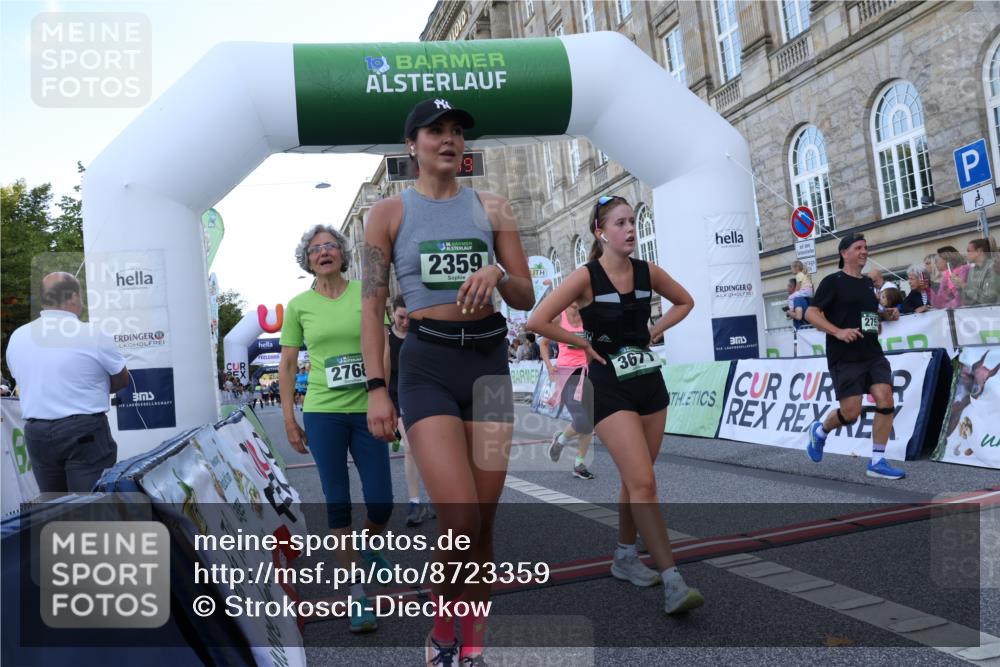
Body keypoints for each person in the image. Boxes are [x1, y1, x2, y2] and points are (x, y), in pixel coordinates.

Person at [361, 98, 535, 666]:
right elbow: (372, 309)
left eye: (456, 131)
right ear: (411, 145)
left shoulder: (494, 206)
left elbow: (527, 296)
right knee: (458, 518)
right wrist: (377, 387)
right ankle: (440, 632)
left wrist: (499, 271)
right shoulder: (385, 215)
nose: (448, 139)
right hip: (427, 367)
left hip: (487, 365)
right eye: (435, 130)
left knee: (482, 523)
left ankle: (473, 648)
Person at [526, 194, 704, 616]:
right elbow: (537, 321)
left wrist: (654, 330)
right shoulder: (585, 277)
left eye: (632, 222)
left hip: (648, 383)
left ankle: (625, 555)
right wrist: (581, 342)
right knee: (643, 483)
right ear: (600, 231)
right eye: (620, 223)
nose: (630, 229)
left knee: (635, 479)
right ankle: (673, 581)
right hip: (609, 388)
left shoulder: (648, 271)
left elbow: (686, 301)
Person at [279, 224, 393, 634]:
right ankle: (356, 595)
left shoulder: (366, 294)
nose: (324, 252)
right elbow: (288, 365)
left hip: (367, 408)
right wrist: (290, 418)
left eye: (331, 246)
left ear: (343, 254)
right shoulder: (298, 306)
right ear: (306, 260)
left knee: (381, 502)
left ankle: (367, 542)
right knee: (337, 501)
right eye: (315, 249)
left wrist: (387, 395)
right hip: (323, 411)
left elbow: (381, 346)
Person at [5, 272, 130, 493]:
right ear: (73, 297)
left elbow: (24, 380)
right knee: (90, 509)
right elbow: (122, 379)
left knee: (55, 509)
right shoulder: (92, 333)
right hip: (84, 431)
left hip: (37, 433)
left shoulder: (18, 336)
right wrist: (91, 388)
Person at [804, 233, 905, 480]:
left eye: (866, 247)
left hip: (872, 352)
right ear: (844, 253)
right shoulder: (833, 281)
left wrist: (885, 314)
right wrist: (837, 331)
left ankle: (878, 461)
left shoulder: (867, 283)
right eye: (858, 247)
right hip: (845, 356)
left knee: (885, 399)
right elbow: (811, 313)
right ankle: (820, 431)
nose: (864, 251)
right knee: (851, 413)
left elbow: (868, 310)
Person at [383, 294, 436, 526]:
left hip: (423, 396)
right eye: (401, 317)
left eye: (408, 317)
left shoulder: (420, 335)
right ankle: (415, 503)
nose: (405, 322)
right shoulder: (386, 340)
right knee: (412, 446)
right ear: (392, 314)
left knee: (432, 448)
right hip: (397, 398)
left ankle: (436, 497)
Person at [539, 303, 596, 480]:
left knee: (589, 423)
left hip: (586, 374)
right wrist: (549, 366)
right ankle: (561, 440)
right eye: (576, 296)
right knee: (581, 420)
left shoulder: (590, 317)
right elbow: (543, 344)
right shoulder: (559, 317)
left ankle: (579, 464)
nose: (580, 301)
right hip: (567, 374)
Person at [956, 238, 1000, 306]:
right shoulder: (972, 270)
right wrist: (959, 287)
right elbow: (967, 301)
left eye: (969, 251)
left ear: (979, 251)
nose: (966, 254)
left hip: (993, 314)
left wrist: (964, 286)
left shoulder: (993, 267)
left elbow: (989, 299)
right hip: (976, 314)